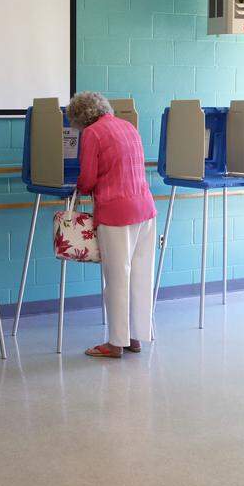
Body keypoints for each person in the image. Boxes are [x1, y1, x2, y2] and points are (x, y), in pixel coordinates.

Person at [68, 92, 157, 358]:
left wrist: (78, 187)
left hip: (116, 212)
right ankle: (136, 337)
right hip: (145, 209)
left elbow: (87, 178)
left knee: (117, 278)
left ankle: (115, 344)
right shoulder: (127, 126)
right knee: (141, 276)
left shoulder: (93, 133)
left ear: (80, 117)